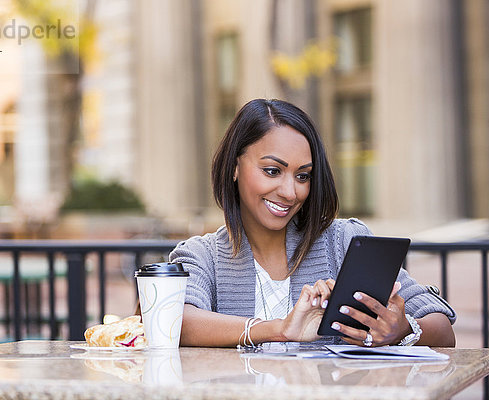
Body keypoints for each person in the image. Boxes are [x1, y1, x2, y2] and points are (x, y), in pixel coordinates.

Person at [169, 98, 456, 348]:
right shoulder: (201, 255)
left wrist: (401, 330)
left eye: (302, 175)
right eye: (272, 171)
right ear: (234, 167)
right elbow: (175, 321)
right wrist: (279, 329)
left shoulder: (343, 241)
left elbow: (442, 327)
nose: (290, 192)